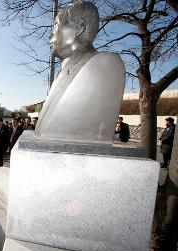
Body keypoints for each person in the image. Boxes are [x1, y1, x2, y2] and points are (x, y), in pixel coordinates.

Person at [35, 1, 125, 144]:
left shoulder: (105, 65)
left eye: (56, 25)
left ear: (79, 27)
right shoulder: (63, 70)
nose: (50, 33)